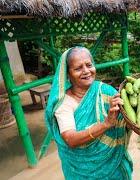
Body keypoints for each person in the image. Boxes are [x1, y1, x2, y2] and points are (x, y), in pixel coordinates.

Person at [45, 46, 132, 179]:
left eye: (89, 65)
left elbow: (129, 118)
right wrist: (106, 124)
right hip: (81, 171)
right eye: (78, 68)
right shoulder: (64, 104)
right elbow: (71, 140)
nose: (86, 71)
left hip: (113, 166)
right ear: (68, 75)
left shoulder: (105, 91)